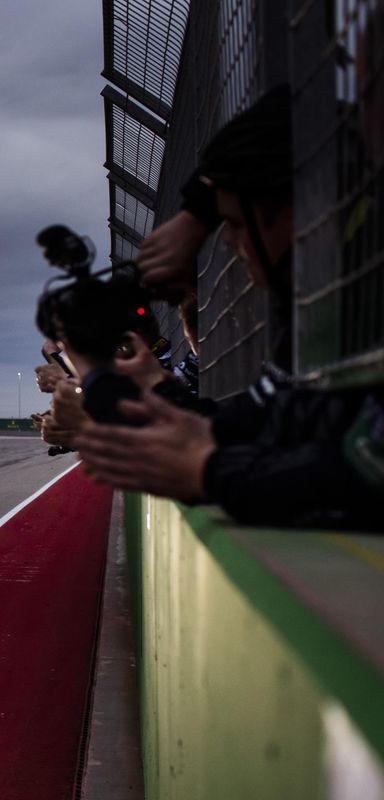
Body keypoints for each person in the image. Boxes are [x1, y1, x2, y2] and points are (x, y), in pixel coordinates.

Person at [74, 86, 383, 529]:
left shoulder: (354, 286)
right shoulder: (323, 294)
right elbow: (254, 426)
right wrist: (165, 397)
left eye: (235, 224)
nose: (230, 243)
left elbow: (359, 471)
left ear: (299, 205)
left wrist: (210, 469)